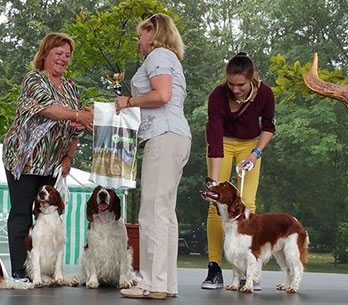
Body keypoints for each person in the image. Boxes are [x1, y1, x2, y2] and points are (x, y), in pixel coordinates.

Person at [2, 32, 93, 281]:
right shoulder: (34, 79)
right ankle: (21, 271)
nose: (64, 59)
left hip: (52, 164)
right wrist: (77, 116)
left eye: (67, 55)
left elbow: (76, 127)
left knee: (46, 214)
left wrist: (69, 157)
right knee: (22, 212)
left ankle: (44, 270)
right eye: (59, 53)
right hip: (24, 160)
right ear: (45, 54)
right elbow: (49, 110)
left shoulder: (72, 87)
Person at [115, 13, 191, 299]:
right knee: (165, 213)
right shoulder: (170, 59)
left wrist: (128, 101)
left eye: (141, 35)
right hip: (175, 136)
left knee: (152, 211)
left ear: (154, 33)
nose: (139, 41)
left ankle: (151, 282)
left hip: (164, 136)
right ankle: (166, 282)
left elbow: (162, 95)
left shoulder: (158, 55)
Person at [201, 52, 276, 290]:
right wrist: (214, 182)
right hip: (221, 143)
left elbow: (268, 127)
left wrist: (256, 153)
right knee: (217, 205)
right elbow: (213, 138)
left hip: (250, 145)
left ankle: (248, 270)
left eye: (241, 85)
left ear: (252, 79)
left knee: (248, 204)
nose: (235, 89)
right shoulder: (217, 96)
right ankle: (214, 268)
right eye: (231, 84)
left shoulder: (265, 93)